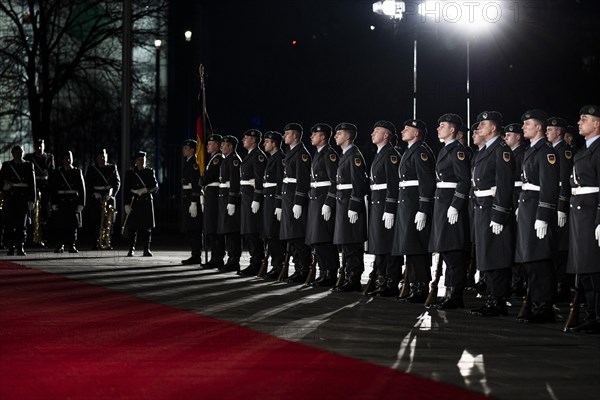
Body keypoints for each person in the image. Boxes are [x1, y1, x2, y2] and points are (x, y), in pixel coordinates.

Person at [514, 109, 560, 323]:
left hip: (536, 210)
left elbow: (549, 186)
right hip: (527, 207)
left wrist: (543, 213)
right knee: (530, 260)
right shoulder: (532, 149)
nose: (524, 127)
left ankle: (544, 307)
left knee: (540, 260)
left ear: (539, 127)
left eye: (528, 124)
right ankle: (535, 304)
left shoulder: (545, 151)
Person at [469, 111, 515, 317]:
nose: (479, 127)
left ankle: (498, 300)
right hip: (482, 206)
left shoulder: (501, 150)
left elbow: (505, 186)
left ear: (494, 128)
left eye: (484, 124)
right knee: (486, 253)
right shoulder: (484, 150)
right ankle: (491, 297)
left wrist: (499, 214)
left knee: (496, 254)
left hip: (492, 208)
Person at [428, 114, 471, 309]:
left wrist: (456, 204)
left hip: (451, 205)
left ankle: (455, 294)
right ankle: (449, 293)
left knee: (454, 253)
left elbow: (464, 180)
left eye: (442, 125)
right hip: (443, 204)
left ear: (452, 130)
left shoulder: (458, 150)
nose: (438, 128)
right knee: (446, 251)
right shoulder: (446, 150)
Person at [391, 119, 436, 302]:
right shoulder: (410, 151)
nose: (402, 131)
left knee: (417, 247)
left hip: (415, 206)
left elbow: (426, 182)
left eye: (407, 129)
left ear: (416, 133)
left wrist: (423, 208)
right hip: (407, 205)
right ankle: (414, 284)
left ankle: (421, 287)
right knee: (409, 246)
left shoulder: (421, 151)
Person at [567, 105, 600, 334]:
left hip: (592, 212)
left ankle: (597, 315)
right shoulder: (583, 150)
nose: (579, 122)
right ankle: (591, 313)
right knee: (585, 268)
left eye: (585, 119)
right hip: (580, 212)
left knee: (594, 268)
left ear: (597, 123)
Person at [327, 122, 369, 292]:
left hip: (349, 204)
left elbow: (358, 184)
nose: (336, 136)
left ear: (348, 136)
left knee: (352, 243)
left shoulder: (354, 156)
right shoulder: (346, 154)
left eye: (339, 133)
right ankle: (348, 275)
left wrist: (354, 205)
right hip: (343, 202)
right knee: (346, 243)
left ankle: (353, 278)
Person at [365, 120, 402, 297]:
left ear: (386, 135)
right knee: (379, 244)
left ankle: (390, 282)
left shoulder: (390, 155)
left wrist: (389, 208)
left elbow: (393, 185)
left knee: (386, 245)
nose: (373, 133)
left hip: (384, 206)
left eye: (377, 130)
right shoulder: (380, 153)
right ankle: (381, 281)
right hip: (376, 204)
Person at [306, 123, 340, 287]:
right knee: (316, 240)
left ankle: (330, 272)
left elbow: (335, 182)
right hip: (315, 200)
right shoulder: (318, 154)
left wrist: (329, 202)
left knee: (324, 239)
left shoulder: (329, 154)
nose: (312, 136)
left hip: (323, 201)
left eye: (315, 134)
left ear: (323, 137)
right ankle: (323, 270)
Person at [546, 116, 574, 303]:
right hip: (551, 203)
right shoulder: (552, 151)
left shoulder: (563, 151)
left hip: (559, 205)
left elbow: (564, 182)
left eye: (550, 129)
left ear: (559, 132)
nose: (547, 132)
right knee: (554, 247)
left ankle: (563, 286)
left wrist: (562, 206)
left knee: (562, 248)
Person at [280, 123, 312, 284]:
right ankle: (298, 267)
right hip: (288, 200)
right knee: (291, 237)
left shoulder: (301, 154)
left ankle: (303, 269)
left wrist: (298, 201)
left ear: (296, 136)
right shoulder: (291, 152)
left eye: (287, 134)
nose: (284, 136)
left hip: (294, 200)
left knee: (298, 237)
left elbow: (303, 180)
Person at [503, 123, 528, 297]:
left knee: (519, 240)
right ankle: (515, 279)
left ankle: (519, 281)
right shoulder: (510, 154)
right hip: (511, 197)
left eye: (509, 135)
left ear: (518, 137)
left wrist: (519, 204)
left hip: (519, 198)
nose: (506, 138)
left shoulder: (523, 153)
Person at [239, 129, 267, 276]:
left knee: (253, 232)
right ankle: (254, 262)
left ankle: (257, 264)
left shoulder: (258, 156)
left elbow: (259, 180)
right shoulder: (249, 155)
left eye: (246, 137)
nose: (243, 139)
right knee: (248, 232)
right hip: (246, 198)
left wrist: (256, 198)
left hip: (252, 199)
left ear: (254, 140)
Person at [0, 145, 36, 255]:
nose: (18, 154)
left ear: (23, 153)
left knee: (22, 225)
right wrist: (4, 187)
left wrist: (32, 200)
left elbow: (32, 184)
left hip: (23, 198)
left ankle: (20, 247)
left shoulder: (29, 165)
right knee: (10, 225)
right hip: (10, 197)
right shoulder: (7, 165)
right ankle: (11, 247)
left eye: (20, 152)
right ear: (12, 154)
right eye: (16, 152)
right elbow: (1, 180)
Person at [261, 131, 287, 278]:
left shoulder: (280, 159)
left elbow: (279, 183)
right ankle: (274, 265)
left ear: (274, 143)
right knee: (269, 234)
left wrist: (278, 203)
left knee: (274, 234)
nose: (264, 144)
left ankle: (278, 266)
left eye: (267, 141)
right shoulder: (271, 158)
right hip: (268, 199)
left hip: (274, 200)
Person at [123, 151, 158, 257]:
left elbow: (155, 187)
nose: (141, 161)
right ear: (135, 161)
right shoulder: (130, 173)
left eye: (143, 160)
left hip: (146, 202)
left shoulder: (149, 172)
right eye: (139, 159)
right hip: (134, 202)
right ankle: (131, 249)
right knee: (132, 228)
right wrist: (126, 204)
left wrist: (145, 190)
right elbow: (126, 190)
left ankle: (146, 249)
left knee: (146, 228)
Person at [50, 150, 86, 253]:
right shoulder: (57, 172)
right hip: (61, 201)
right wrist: (53, 203)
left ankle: (72, 245)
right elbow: (53, 189)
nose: (68, 160)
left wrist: (81, 203)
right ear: (62, 160)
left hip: (73, 201)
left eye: (70, 157)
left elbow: (82, 189)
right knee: (60, 225)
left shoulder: (77, 171)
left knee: (73, 225)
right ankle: (60, 245)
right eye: (66, 158)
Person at [85, 148, 120, 250]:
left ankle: (107, 242)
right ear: (97, 158)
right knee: (95, 220)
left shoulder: (113, 167)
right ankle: (96, 242)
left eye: (104, 156)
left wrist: (112, 193)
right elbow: (87, 184)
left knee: (109, 221)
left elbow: (117, 182)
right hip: (96, 197)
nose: (103, 158)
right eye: (100, 157)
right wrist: (93, 193)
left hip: (109, 196)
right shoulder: (92, 169)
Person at [200, 134, 225, 269]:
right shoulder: (213, 158)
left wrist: (202, 180)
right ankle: (214, 257)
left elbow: (208, 177)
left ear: (216, 145)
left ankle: (217, 258)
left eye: (210, 144)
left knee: (213, 227)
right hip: (210, 194)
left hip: (214, 195)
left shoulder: (218, 158)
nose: (208, 146)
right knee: (209, 227)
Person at [217, 135, 242, 272]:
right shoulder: (227, 160)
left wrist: (232, 201)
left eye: (224, 144)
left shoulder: (234, 160)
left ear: (231, 146)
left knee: (232, 232)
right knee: (227, 231)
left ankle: (234, 261)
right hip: (224, 198)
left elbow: (234, 182)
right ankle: (230, 260)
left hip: (229, 199)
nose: (221, 147)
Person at [24, 138, 55, 247]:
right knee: (31, 213)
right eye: (37, 145)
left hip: (45, 188)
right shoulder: (29, 157)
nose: (39, 147)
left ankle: (44, 239)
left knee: (45, 214)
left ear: (44, 146)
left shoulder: (50, 157)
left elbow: (52, 174)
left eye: (41, 145)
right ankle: (31, 238)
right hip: (33, 186)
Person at [180, 139, 203, 265]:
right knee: (190, 228)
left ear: (192, 150)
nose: (184, 150)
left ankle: (196, 255)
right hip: (187, 198)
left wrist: (194, 202)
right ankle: (194, 254)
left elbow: (196, 184)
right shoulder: (188, 162)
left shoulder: (194, 163)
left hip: (191, 199)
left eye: (186, 148)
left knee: (194, 228)